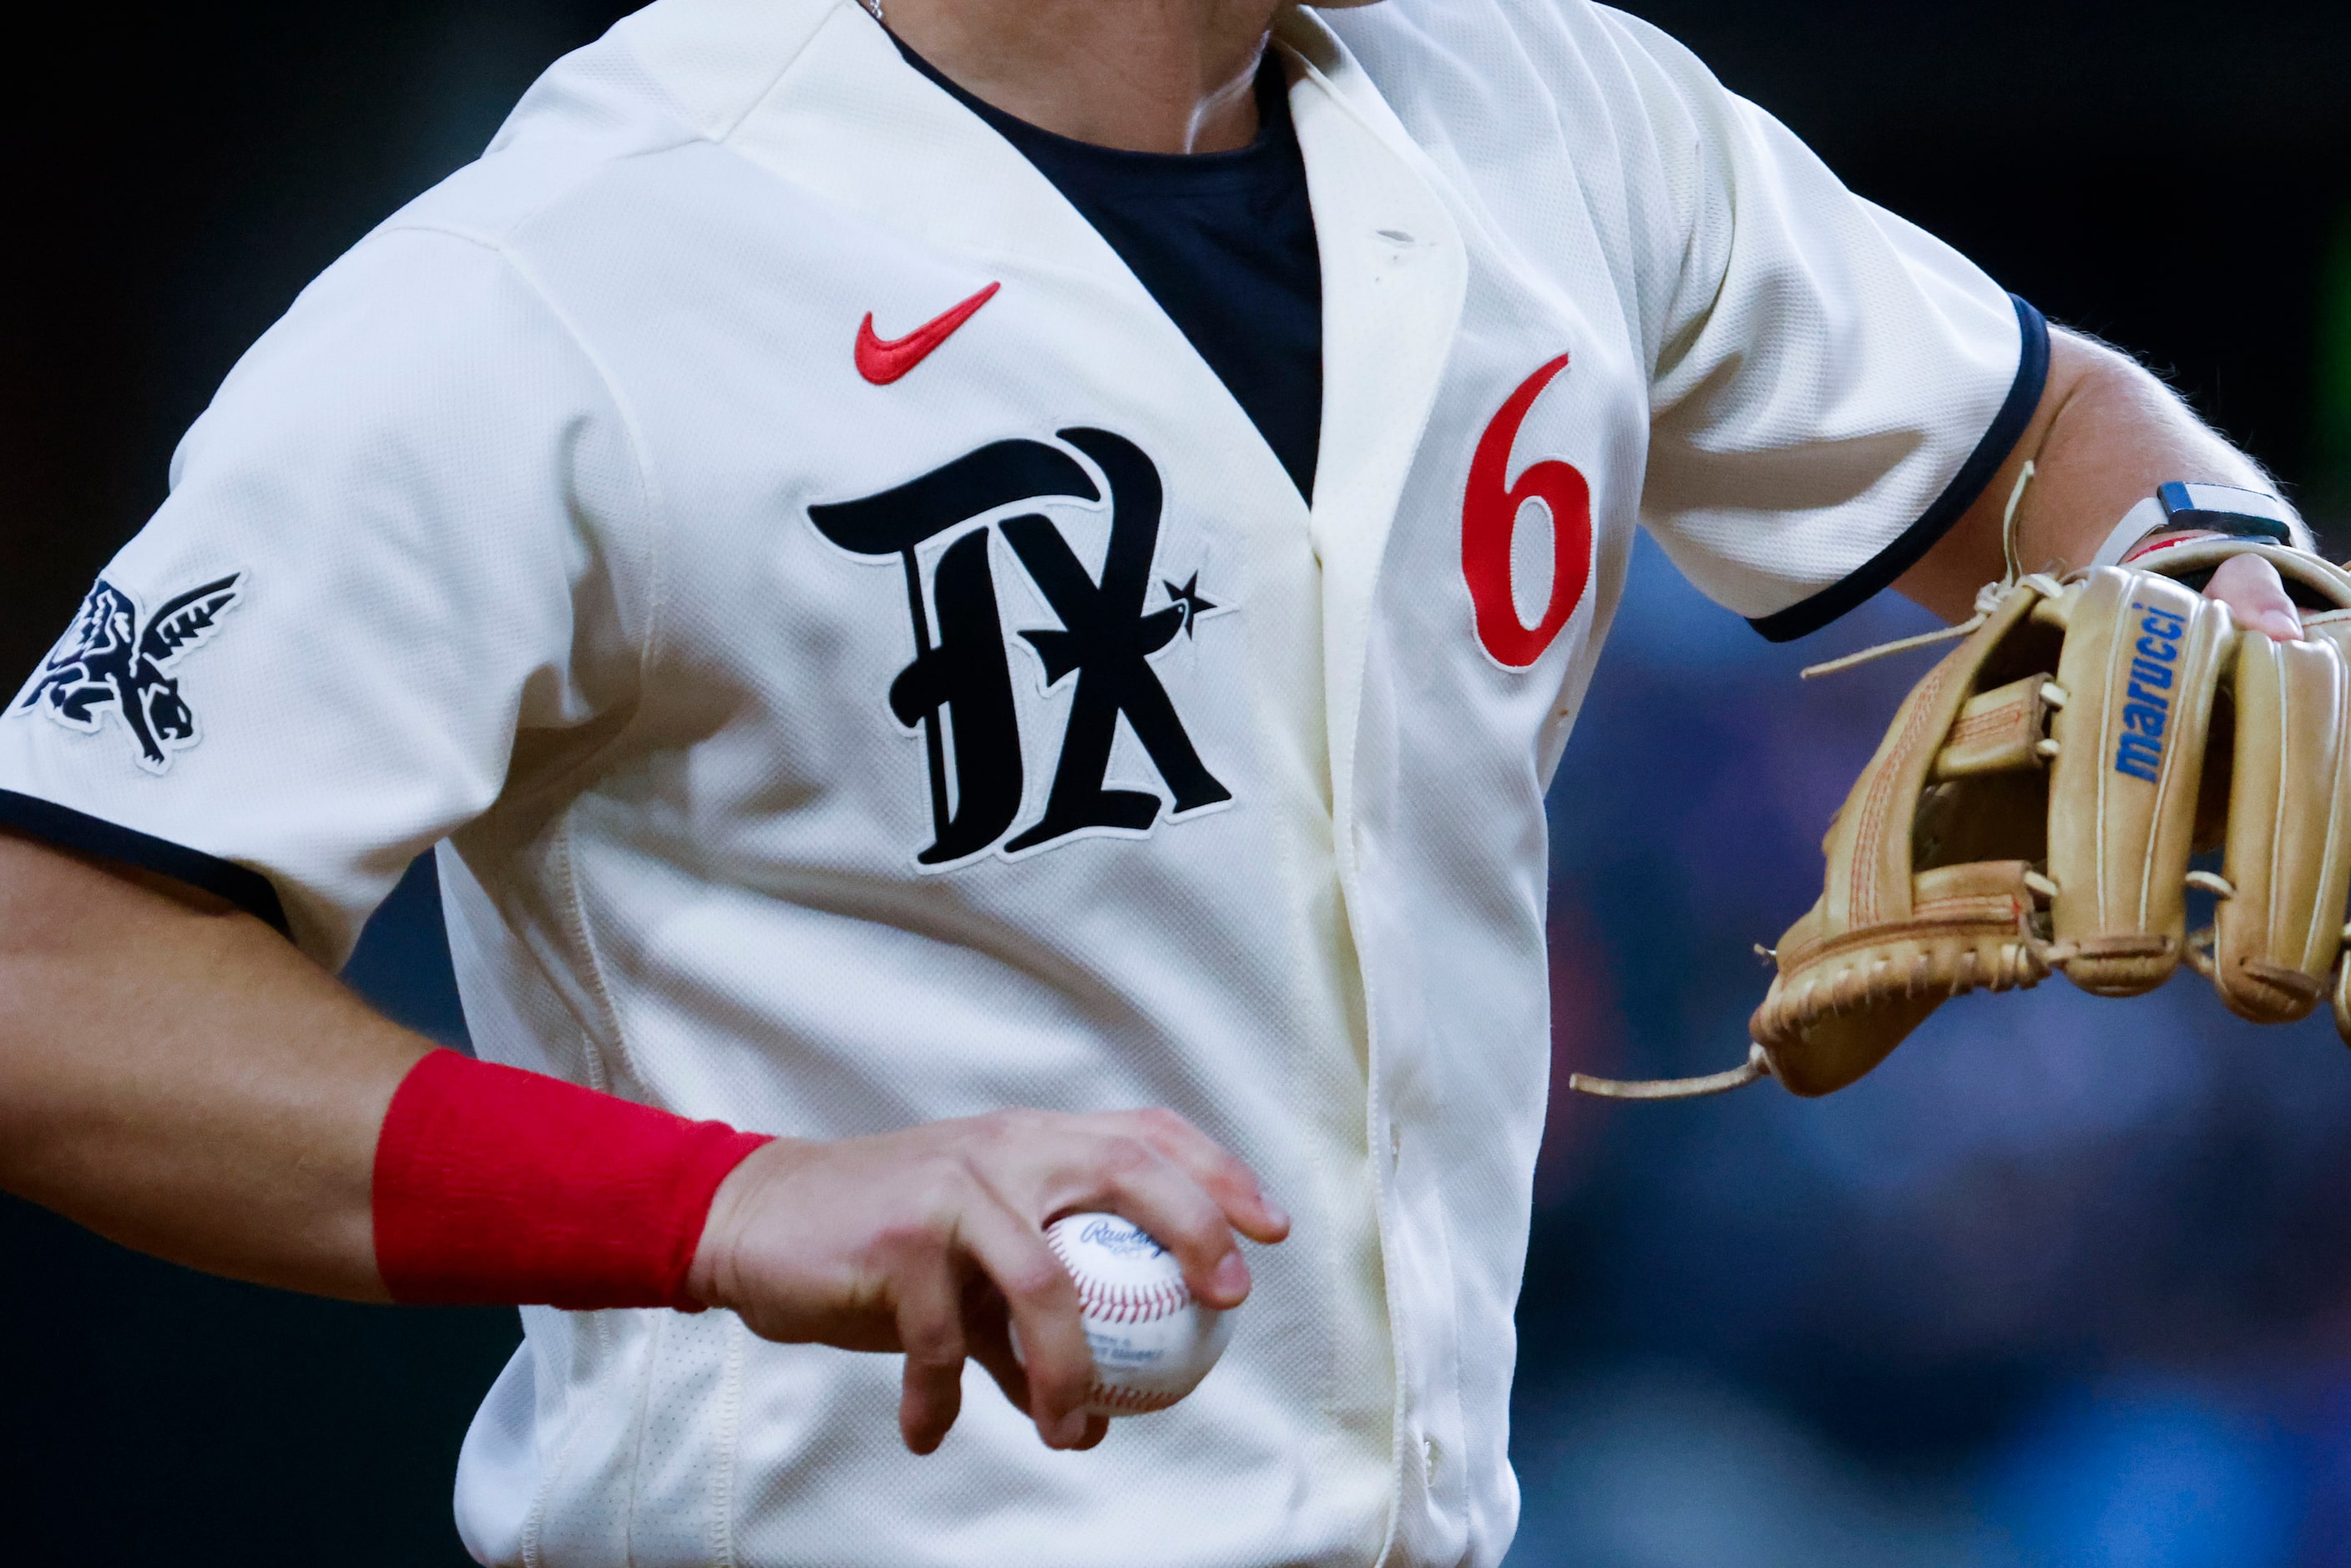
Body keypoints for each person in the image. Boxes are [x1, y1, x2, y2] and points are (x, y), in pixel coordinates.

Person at [0, 0, 2318, 1563]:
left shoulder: (1560, 115)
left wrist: (2219, 573)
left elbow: (2035, 431)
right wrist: (716, 1203)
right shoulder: (574, 274)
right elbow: (51, 976)